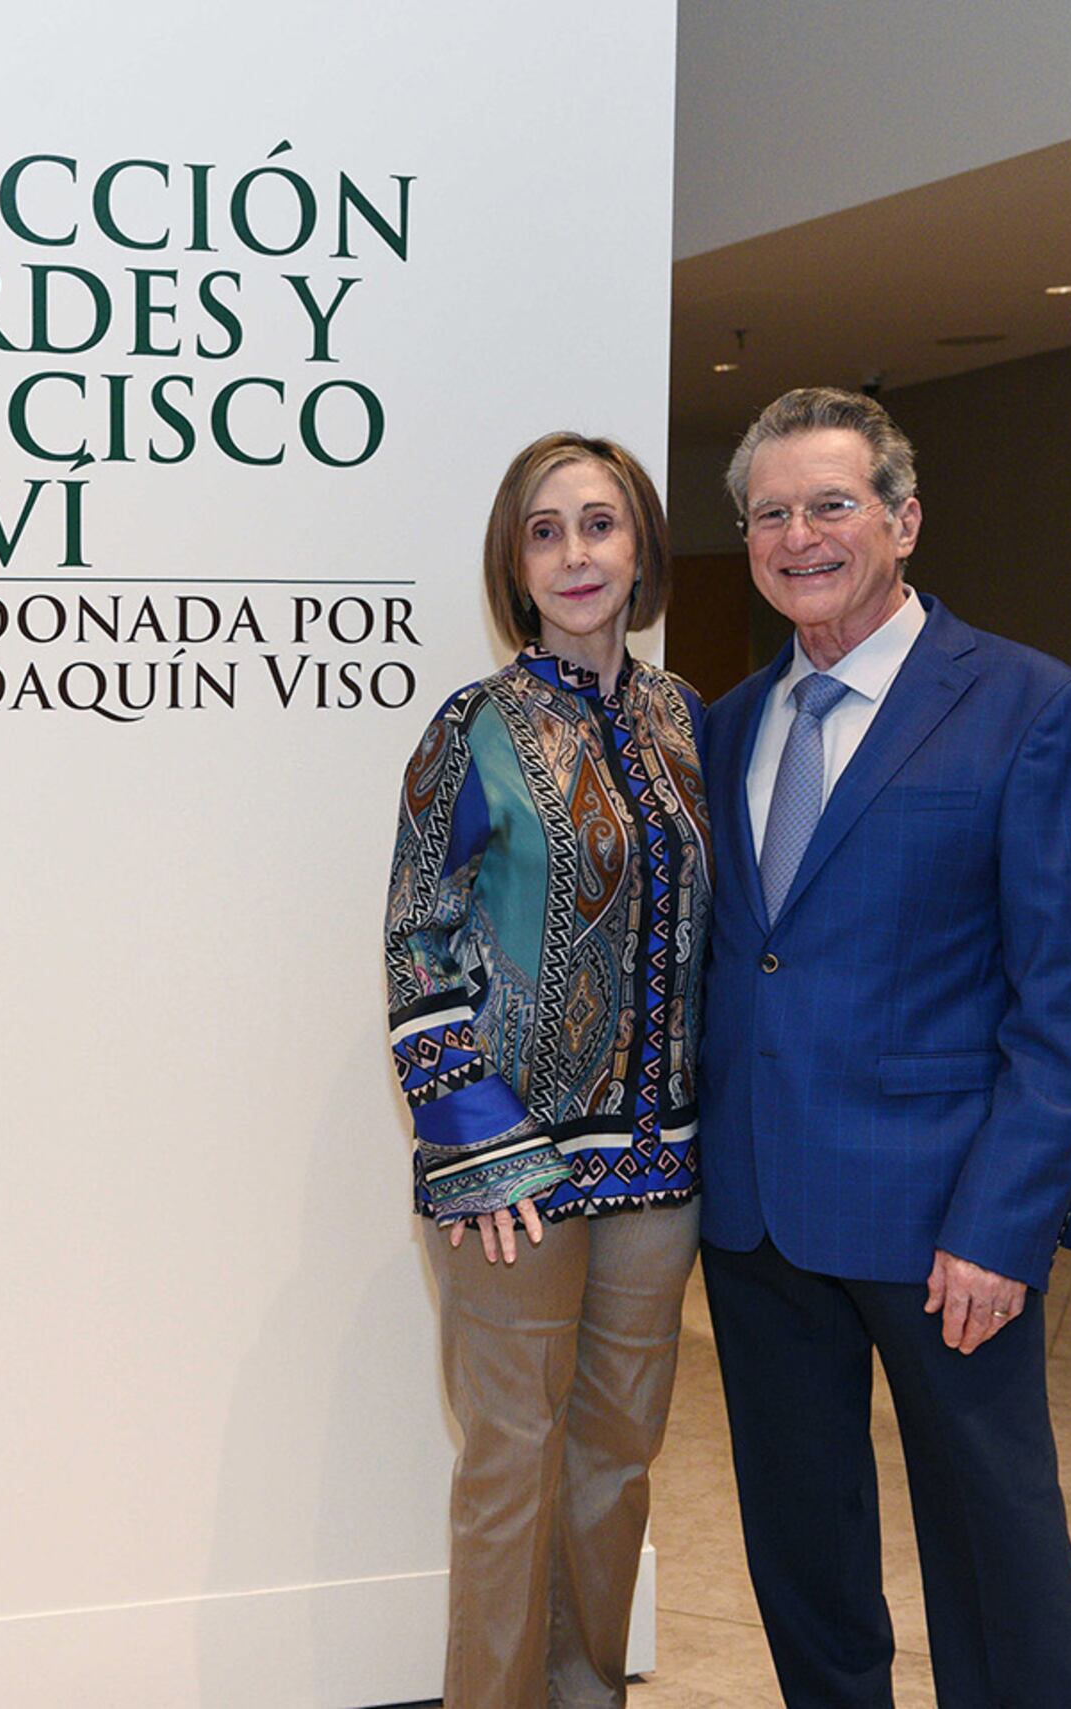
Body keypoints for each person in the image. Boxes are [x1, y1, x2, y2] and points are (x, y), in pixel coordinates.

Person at [698, 387, 1071, 1708]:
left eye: (832, 503)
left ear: (905, 519)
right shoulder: (726, 724)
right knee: (802, 1548)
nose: (799, 535)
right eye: (771, 513)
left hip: (948, 1223)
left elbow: (1061, 1003)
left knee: (994, 1550)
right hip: (758, 1213)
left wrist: (1006, 1221)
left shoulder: (1033, 708)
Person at [383, 432, 710, 1708]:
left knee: (618, 1459)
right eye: (544, 530)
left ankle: (591, 1695)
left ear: (639, 549)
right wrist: (479, 1140)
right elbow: (415, 939)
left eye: (600, 523)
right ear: (514, 568)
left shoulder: (683, 719)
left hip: (660, 1164)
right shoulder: (471, 729)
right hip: (507, 1175)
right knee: (511, 1463)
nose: (576, 553)